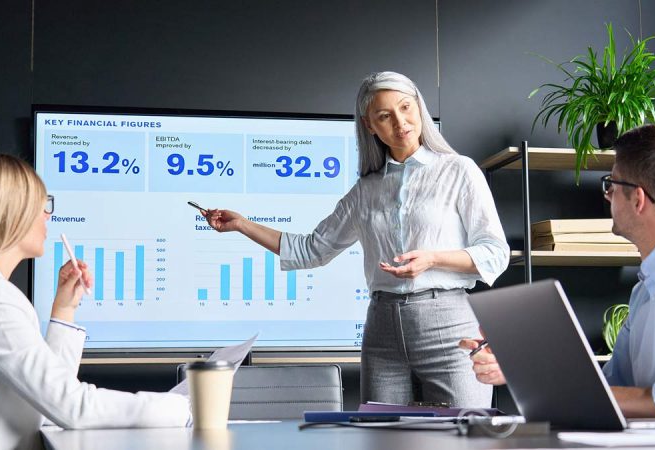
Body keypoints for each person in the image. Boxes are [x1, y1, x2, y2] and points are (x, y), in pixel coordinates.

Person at [203, 71, 509, 407]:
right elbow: (311, 250)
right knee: (381, 438)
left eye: (406, 107)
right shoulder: (365, 191)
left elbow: (495, 253)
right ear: (369, 125)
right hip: (382, 332)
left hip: (449, 326)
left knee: (463, 437)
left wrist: (433, 259)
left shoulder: (459, 171)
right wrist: (242, 224)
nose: (401, 122)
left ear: (419, 107)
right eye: (384, 116)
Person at [461, 123, 655, 420]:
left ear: (638, 199)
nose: (607, 194)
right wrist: (522, 365)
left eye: (611, 184)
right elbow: (615, 386)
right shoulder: (651, 282)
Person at [0, 153, 190, 450]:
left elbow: (47, 400)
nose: (48, 215)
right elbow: (73, 406)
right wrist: (181, 408)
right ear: (9, 213)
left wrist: (64, 309)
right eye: (43, 205)